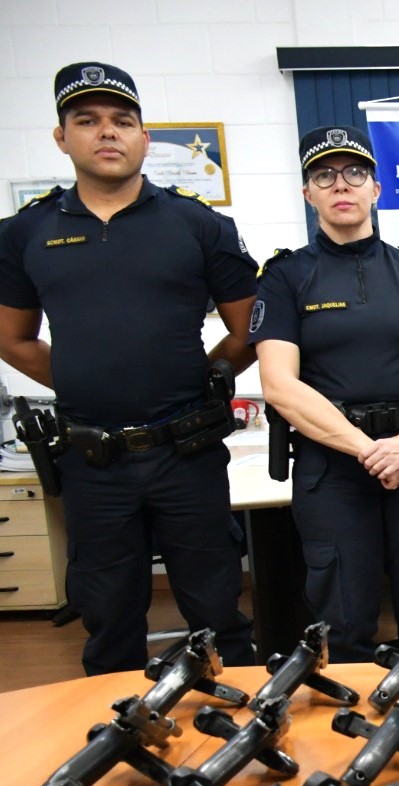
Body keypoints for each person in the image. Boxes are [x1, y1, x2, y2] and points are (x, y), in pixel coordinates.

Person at [0, 62, 256, 675]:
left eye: (122, 120)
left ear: (145, 137)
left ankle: (239, 721)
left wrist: (195, 380)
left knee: (218, 614)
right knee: (109, 620)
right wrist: (85, 380)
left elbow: (249, 330)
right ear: (62, 137)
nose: (107, 132)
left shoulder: (200, 224)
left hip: (187, 454)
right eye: (87, 120)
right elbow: (14, 339)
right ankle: (119, 727)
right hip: (93, 463)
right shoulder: (25, 232)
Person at [252, 126, 399, 663]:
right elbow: (279, 384)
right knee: (344, 623)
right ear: (308, 193)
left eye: (354, 172)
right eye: (324, 175)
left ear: (376, 187)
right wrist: (369, 451)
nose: (341, 184)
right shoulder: (285, 276)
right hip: (334, 469)